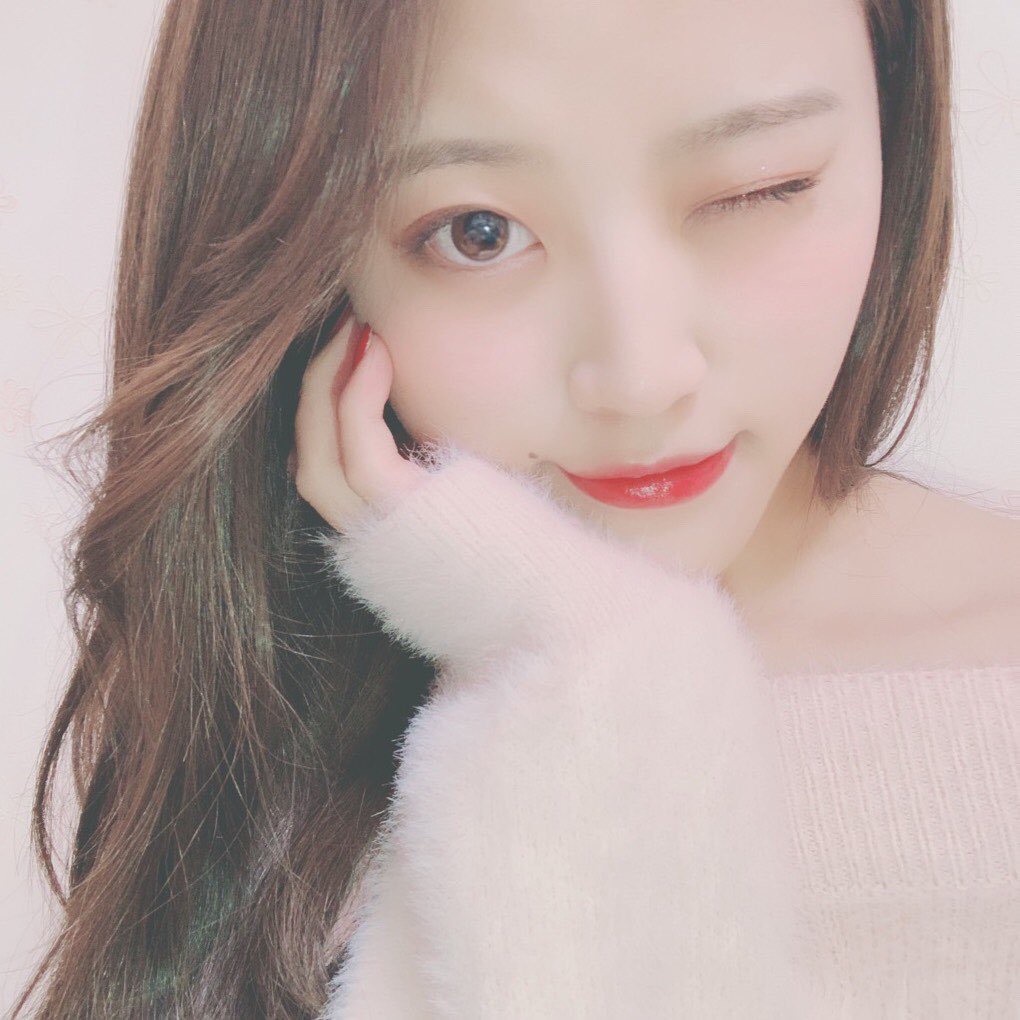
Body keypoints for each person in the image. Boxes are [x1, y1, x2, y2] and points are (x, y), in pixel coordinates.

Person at [15, 0, 1018, 1017]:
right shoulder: (249, 741)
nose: (639, 377)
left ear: (896, 122)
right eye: (477, 233)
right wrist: (594, 661)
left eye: (757, 188)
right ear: (312, 264)